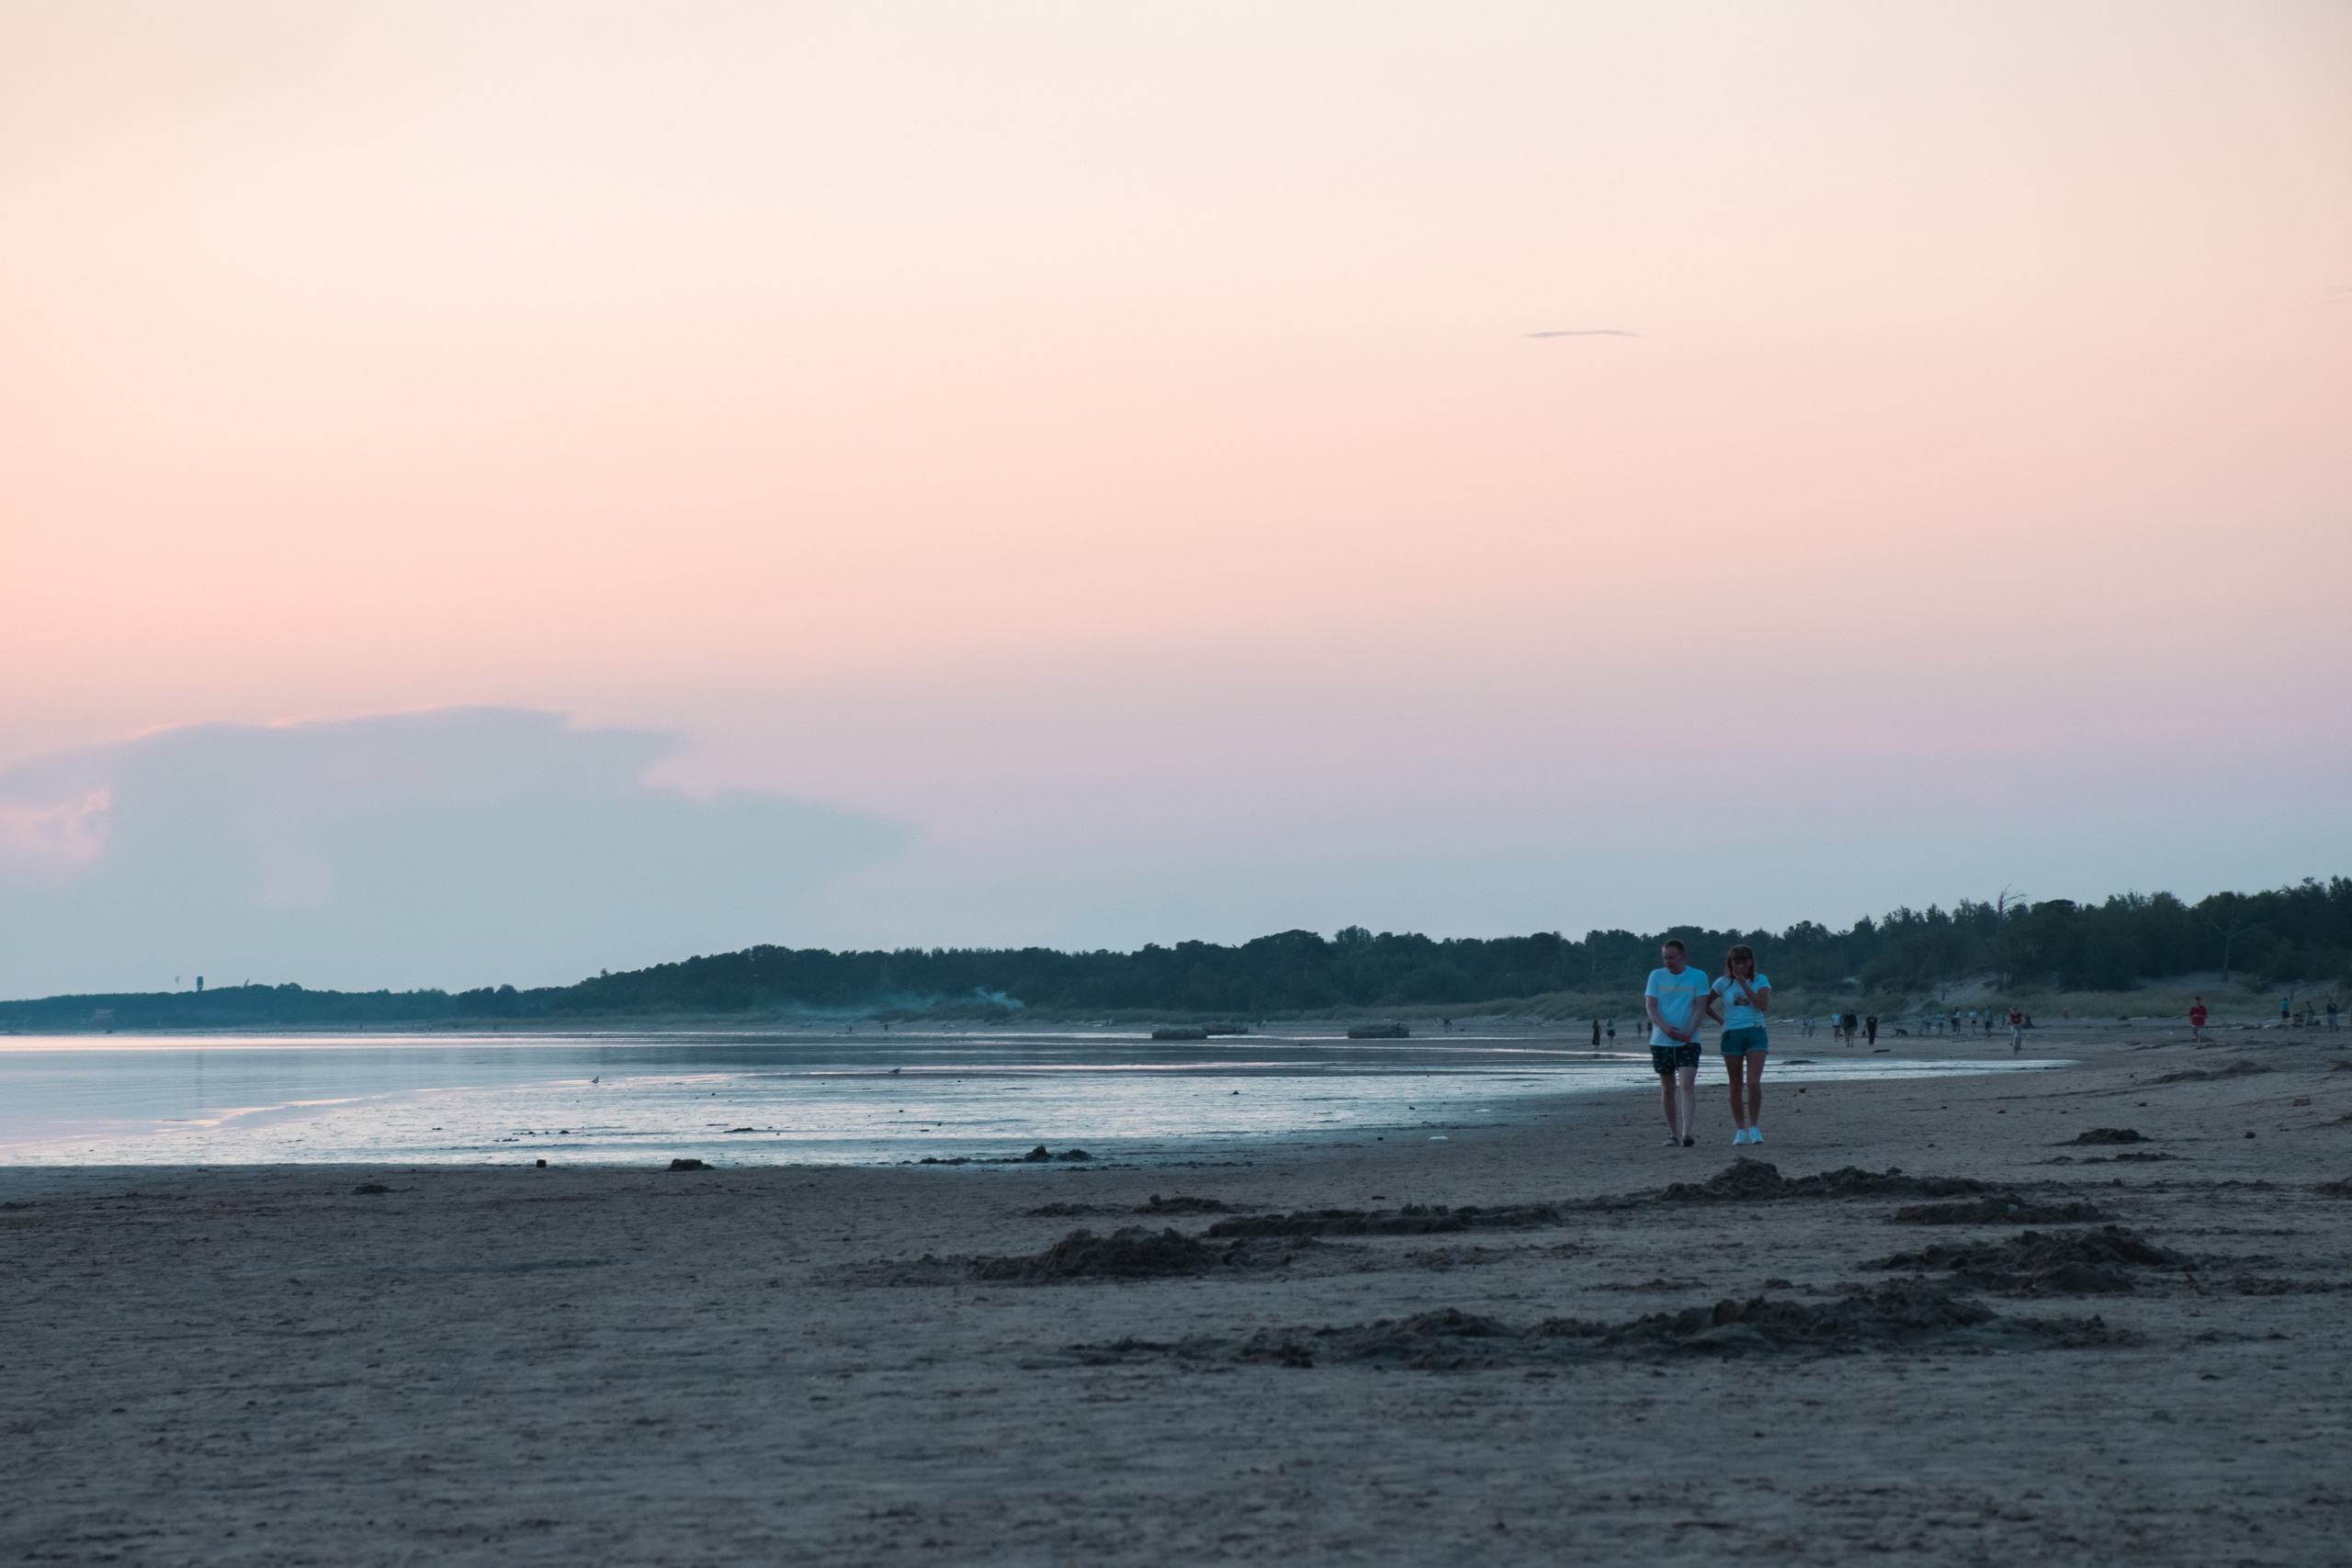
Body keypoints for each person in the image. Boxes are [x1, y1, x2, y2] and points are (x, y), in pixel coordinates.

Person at [1644, 940, 1710, 1147]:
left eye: (1671, 957)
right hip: (1661, 1041)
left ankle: (1686, 1132)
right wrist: (1665, 1028)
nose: (1667, 962)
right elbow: (1651, 1007)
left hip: (1689, 1042)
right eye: (1665, 958)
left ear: (1682, 956)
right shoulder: (1656, 976)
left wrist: (1688, 1032)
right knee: (1668, 1087)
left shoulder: (1698, 976)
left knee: (1687, 1085)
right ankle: (1673, 1134)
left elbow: (1700, 1008)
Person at [1709, 945, 1771, 1145]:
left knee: (1753, 1081)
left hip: (1755, 1031)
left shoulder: (1760, 980)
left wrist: (1744, 985)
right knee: (1735, 1084)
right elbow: (1704, 1004)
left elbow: (1762, 1005)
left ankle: (1754, 1127)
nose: (1741, 966)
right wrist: (1721, 1021)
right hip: (1732, 1034)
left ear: (1750, 962)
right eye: (1737, 962)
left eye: (1744, 962)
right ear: (1731, 963)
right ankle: (1740, 1129)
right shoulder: (1722, 983)